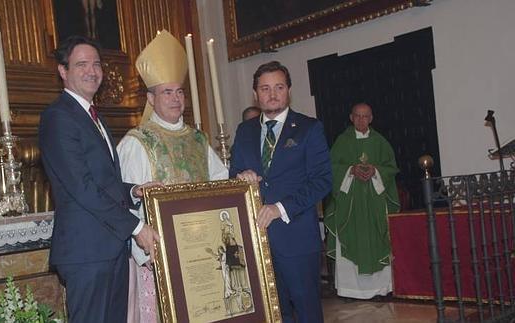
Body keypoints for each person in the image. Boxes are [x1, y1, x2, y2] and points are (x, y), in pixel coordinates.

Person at [38, 35, 159, 323]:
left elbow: (102, 180)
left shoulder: (94, 116)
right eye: (81, 64)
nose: (91, 71)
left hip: (111, 248)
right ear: (63, 71)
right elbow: (82, 187)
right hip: (87, 253)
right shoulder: (58, 117)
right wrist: (137, 226)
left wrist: (134, 191)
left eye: (96, 64)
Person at [116, 30, 228, 323]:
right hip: (159, 257)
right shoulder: (137, 143)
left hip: (202, 253)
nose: (176, 98)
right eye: (167, 92)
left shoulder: (198, 140)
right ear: (151, 99)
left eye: (179, 91)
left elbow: (222, 187)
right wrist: (144, 247)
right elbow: (125, 201)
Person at [230, 61, 331, 323]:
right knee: (272, 313)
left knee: (307, 311)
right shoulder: (245, 131)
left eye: (279, 87)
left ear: (289, 90)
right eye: (265, 88)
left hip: (296, 237)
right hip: (256, 241)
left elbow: (322, 181)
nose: (272, 94)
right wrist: (241, 178)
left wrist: (279, 208)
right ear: (255, 94)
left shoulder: (309, 128)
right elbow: (233, 175)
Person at [324, 102, 400, 300]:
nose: (361, 120)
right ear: (351, 117)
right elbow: (330, 167)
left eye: (365, 116)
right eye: (357, 116)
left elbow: (391, 167)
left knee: (378, 239)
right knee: (349, 240)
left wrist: (377, 171)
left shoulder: (380, 142)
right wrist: (350, 170)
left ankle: (381, 289)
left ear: (371, 118)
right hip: (350, 204)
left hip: (374, 203)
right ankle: (350, 290)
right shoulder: (342, 141)